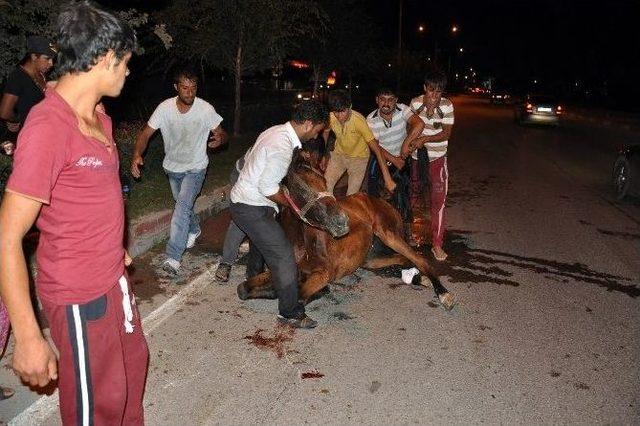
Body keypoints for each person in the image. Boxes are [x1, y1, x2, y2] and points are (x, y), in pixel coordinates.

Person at [0, 2, 148, 425]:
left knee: (129, 382)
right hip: (80, 297)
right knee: (97, 407)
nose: (128, 71)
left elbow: (92, 198)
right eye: (125, 62)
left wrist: (114, 247)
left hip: (112, 283)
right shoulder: (48, 127)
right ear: (104, 59)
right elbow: (8, 236)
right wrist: (29, 336)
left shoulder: (98, 118)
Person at [230, 100, 328, 329]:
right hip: (250, 206)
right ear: (308, 124)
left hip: (250, 201)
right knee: (285, 257)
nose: (316, 136)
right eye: (317, 130)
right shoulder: (282, 145)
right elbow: (268, 188)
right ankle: (290, 312)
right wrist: (294, 207)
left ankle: (251, 280)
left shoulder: (275, 131)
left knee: (262, 241)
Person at [131, 69, 227, 276]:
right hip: (172, 168)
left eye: (193, 88)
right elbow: (145, 134)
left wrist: (221, 139)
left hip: (196, 167)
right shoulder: (164, 108)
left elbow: (221, 132)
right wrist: (137, 155)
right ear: (176, 88)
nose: (189, 92)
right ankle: (194, 229)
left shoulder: (205, 109)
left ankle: (173, 258)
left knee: (182, 207)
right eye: (185, 88)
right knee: (182, 205)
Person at [401, 67, 455, 261]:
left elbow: (446, 134)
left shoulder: (448, 106)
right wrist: (410, 145)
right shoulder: (415, 103)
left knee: (438, 202)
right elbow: (410, 128)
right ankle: (409, 236)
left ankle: (437, 244)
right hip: (416, 159)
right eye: (431, 90)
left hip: (438, 159)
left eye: (439, 91)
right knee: (413, 197)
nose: (434, 95)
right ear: (425, 88)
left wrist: (424, 139)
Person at [366, 87, 424, 223]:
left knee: (405, 195)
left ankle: (407, 230)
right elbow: (376, 146)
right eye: (382, 99)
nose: (386, 104)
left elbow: (419, 124)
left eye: (390, 100)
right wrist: (394, 159)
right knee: (378, 196)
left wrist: (406, 144)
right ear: (377, 100)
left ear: (396, 101)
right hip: (382, 158)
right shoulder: (371, 119)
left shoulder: (403, 109)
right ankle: (380, 229)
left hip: (403, 157)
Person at [323, 89, 396, 196]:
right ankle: (328, 212)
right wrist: (325, 155)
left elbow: (376, 149)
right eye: (335, 112)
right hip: (339, 155)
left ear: (350, 107)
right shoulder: (331, 117)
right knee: (326, 186)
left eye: (343, 111)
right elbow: (325, 132)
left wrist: (387, 178)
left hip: (359, 159)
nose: (339, 116)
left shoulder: (359, 121)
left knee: (352, 195)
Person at [0, 35, 56, 155]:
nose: (51, 63)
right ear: (34, 56)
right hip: (26, 140)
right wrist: (14, 120)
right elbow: (4, 112)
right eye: (47, 58)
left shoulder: (42, 75)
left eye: (52, 59)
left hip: (41, 136)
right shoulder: (18, 77)